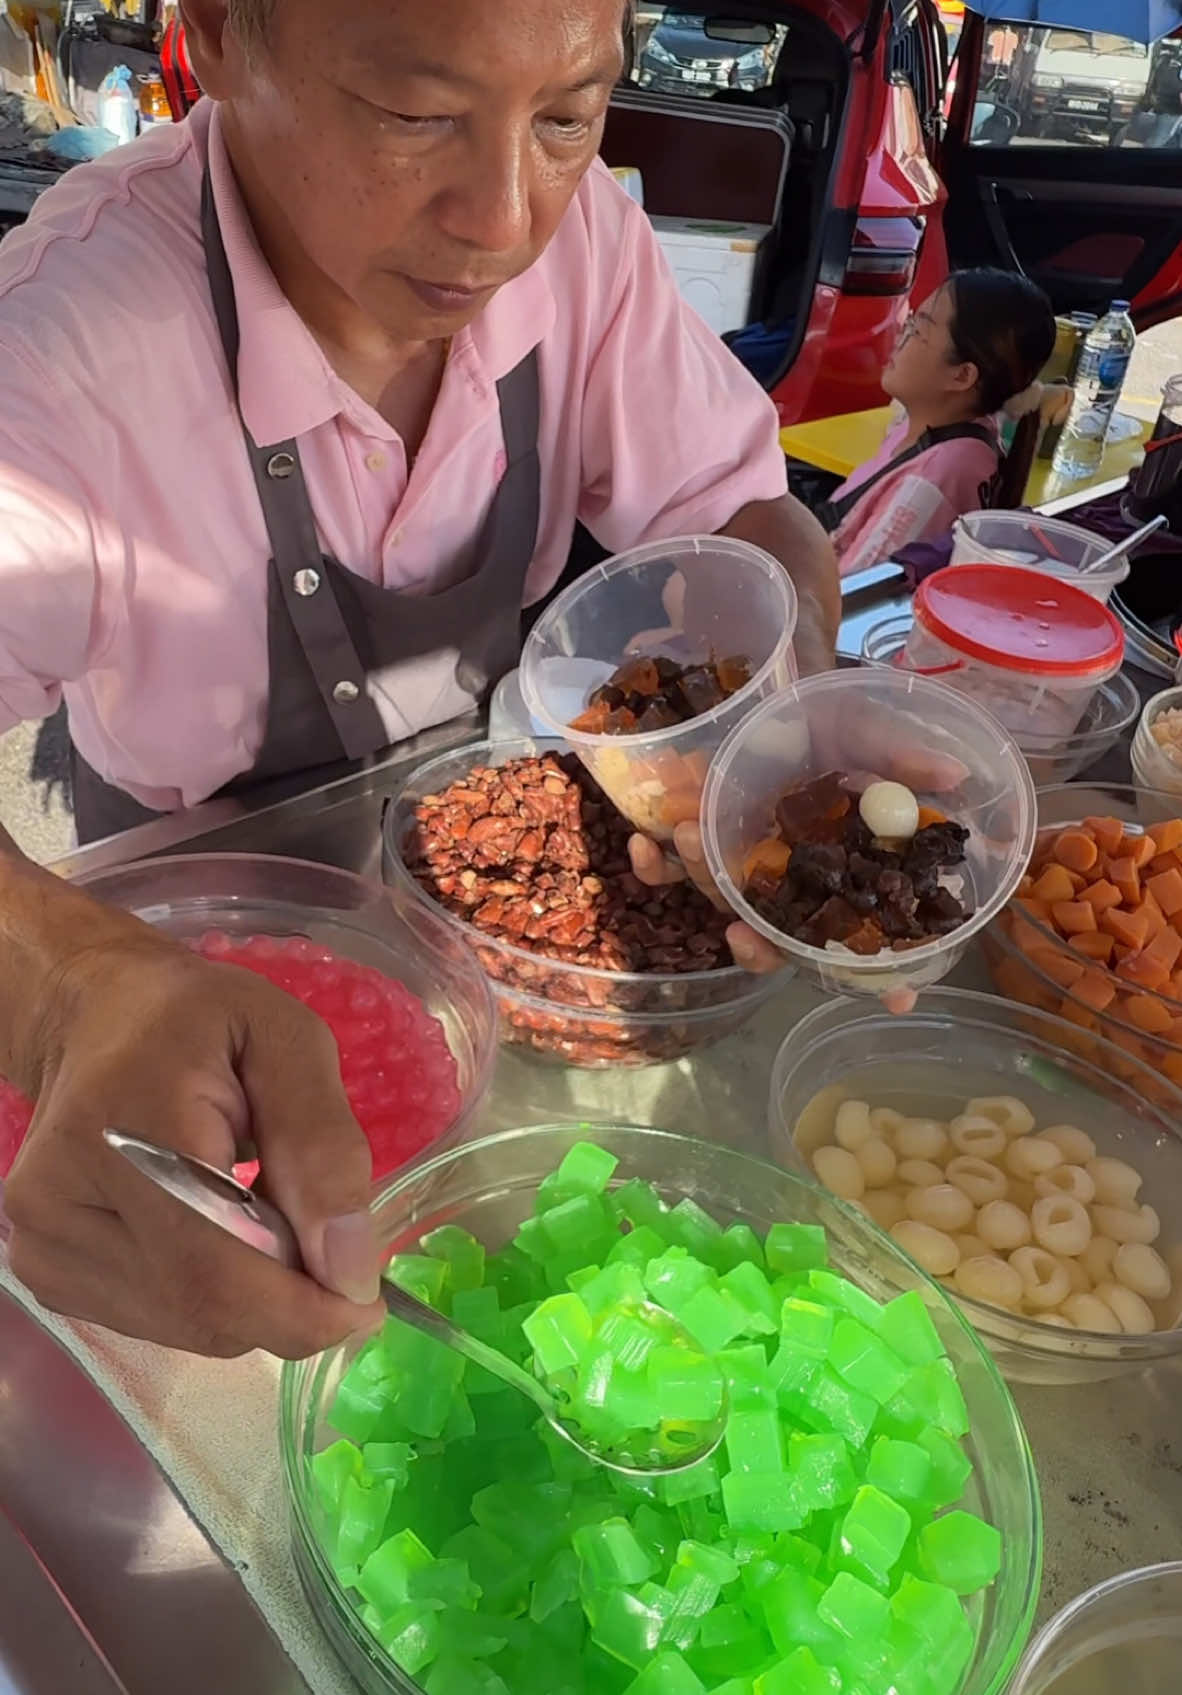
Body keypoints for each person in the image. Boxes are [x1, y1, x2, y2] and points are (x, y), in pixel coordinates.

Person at [0, 0, 836, 1358]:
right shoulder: (60, 352)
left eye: (567, 116)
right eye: (417, 115)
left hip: (498, 894)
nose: (507, 221)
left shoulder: (589, 244)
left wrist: (785, 712)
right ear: (213, 35)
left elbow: (735, 512)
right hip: (194, 925)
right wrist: (60, 994)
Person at [820, 269, 1056, 577]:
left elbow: (850, 594)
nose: (902, 334)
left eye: (919, 330)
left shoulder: (932, 481)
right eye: (912, 319)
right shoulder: (955, 426)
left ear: (961, 376)